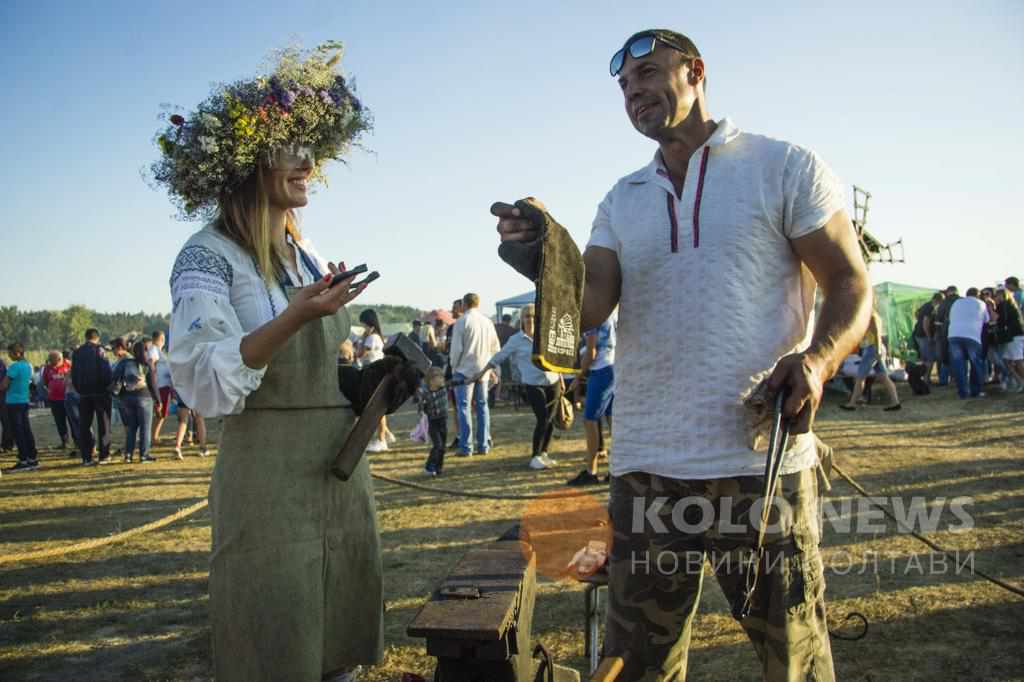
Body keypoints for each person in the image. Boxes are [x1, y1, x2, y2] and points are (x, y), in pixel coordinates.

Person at [493, 28, 874, 680]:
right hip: (646, 470)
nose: (633, 92)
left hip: (756, 459)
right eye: (623, 86)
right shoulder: (621, 198)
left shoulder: (782, 166)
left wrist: (816, 360)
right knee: (638, 663)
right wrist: (542, 252)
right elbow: (588, 306)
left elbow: (848, 280)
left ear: (695, 71)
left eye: (646, 74)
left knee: (796, 659)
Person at [157, 42, 417, 681]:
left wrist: (371, 384)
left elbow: (316, 374)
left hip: (336, 472)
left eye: (312, 149)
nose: (309, 163)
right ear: (247, 162)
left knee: (336, 636)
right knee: (276, 633)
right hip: (268, 483)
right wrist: (293, 317)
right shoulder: (207, 257)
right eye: (290, 150)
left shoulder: (303, 255)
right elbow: (205, 382)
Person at [471, 303, 563, 470]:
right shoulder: (516, 340)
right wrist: (483, 371)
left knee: (551, 420)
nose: (530, 319)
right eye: (527, 316)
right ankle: (535, 456)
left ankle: (544, 453)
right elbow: (499, 356)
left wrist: (561, 380)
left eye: (534, 316)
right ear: (521, 319)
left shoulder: (547, 335)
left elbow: (556, 359)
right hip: (533, 384)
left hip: (553, 382)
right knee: (542, 419)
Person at [568, 311, 617, 485]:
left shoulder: (591, 315)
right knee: (613, 422)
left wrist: (578, 377)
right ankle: (616, 471)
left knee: (590, 421)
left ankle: (591, 471)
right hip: (613, 367)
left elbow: (591, 352)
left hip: (601, 370)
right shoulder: (610, 310)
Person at [449, 292, 501, 456]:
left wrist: (453, 366)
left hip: (464, 370)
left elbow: (456, 349)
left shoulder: (461, 321)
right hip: (483, 369)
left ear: (464, 304)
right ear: (478, 304)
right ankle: (483, 444)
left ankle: (466, 446)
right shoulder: (487, 322)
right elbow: (495, 347)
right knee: (482, 407)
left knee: (463, 408)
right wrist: (492, 368)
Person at [840, 311, 901, 410]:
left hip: (872, 349)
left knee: (860, 377)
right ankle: (895, 402)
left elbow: (877, 333)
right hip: (873, 348)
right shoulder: (872, 316)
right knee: (883, 377)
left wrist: (878, 350)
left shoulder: (872, 316)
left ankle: (852, 403)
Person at [112, 340, 160, 463]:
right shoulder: (147, 364)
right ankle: (144, 455)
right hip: (144, 396)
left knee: (132, 428)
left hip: (128, 398)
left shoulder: (125, 363)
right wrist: (158, 400)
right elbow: (153, 384)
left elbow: (115, 378)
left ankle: (128, 455)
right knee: (145, 428)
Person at [71, 328, 113, 465]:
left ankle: (86, 457)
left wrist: (79, 389)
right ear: (97, 338)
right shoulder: (100, 350)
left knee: (84, 425)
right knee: (104, 424)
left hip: (83, 393)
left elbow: (74, 373)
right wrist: (108, 386)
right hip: (100, 392)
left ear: (86, 337)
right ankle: (104, 455)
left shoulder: (77, 352)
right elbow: (106, 371)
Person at [356, 308, 394, 452]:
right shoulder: (378, 337)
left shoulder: (371, 338)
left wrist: (362, 338)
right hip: (379, 373)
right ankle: (386, 434)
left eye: (364, 325)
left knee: (376, 409)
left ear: (369, 324)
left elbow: (359, 354)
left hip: (373, 375)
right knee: (378, 407)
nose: (363, 328)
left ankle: (381, 439)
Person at [947, 287, 990, 399]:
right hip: (972, 335)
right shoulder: (981, 303)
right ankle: (975, 391)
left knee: (959, 365)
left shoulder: (956, 302)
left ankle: (962, 393)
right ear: (978, 294)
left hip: (954, 335)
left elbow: (951, 317)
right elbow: (987, 320)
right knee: (975, 363)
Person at [3, 343, 38, 472]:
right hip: (23, 401)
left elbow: (4, 385)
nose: (9, 355)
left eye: (10, 353)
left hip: (13, 402)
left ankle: (23, 460)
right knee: (26, 430)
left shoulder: (14, 367)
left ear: (17, 353)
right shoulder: (27, 366)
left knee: (18, 431)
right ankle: (32, 458)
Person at [417, 366, 449, 476]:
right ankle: (429, 467)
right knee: (438, 445)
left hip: (443, 421)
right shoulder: (425, 392)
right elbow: (419, 402)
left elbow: (457, 382)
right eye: (439, 378)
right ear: (431, 381)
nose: (442, 380)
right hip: (433, 422)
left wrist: (471, 379)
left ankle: (439, 468)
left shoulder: (444, 388)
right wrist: (421, 410)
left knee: (443, 447)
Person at [41, 350, 73, 450]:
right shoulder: (47, 368)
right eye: (49, 360)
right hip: (54, 399)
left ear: (60, 359)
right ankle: (65, 442)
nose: (50, 362)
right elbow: (45, 382)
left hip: (68, 398)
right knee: (59, 421)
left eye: (52, 360)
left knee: (73, 420)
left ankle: (78, 441)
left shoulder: (69, 365)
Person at [994, 288, 1024, 391]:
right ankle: (1020, 381)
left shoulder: (1003, 306)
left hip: (1013, 336)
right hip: (1016, 335)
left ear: (1002, 296)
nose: (996, 297)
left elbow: (998, 320)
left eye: (997, 295)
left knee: (1017, 360)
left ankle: (1021, 381)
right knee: (1007, 360)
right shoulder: (1012, 305)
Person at [149, 330, 174, 444]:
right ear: (161, 339)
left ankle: (154, 436)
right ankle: (154, 437)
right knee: (160, 413)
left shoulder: (159, 350)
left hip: (164, 385)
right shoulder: (154, 349)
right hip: (160, 385)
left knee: (162, 414)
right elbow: (151, 363)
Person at [931, 285, 959, 386]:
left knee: (944, 356)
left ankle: (943, 380)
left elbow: (938, 320)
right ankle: (957, 379)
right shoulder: (962, 301)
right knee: (958, 357)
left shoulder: (944, 302)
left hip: (945, 333)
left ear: (948, 292)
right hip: (960, 333)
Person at [913, 292, 943, 384]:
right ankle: (926, 379)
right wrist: (929, 336)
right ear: (938, 300)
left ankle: (923, 378)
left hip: (919, 334)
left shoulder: (926, 305)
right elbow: (926, 322)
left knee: (925, 358)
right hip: (923, 335)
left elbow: (917, 314)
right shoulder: (930, 307)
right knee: (929, 358)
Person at [173, 390, 209, 458]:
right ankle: (203, 448)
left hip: (184, 392)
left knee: (183, 421)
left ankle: (177, 447)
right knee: (200, 420)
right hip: (197, 392)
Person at [0, 356, 13, 453]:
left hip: (2, 396)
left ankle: (7, 444)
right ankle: (7, 445)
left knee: (7, 421)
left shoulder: (1, 364)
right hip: (3, 396)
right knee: (6, 421)